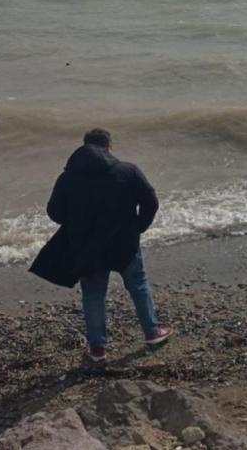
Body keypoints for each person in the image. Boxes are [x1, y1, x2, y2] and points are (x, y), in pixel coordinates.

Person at [46, 128, 173, 362]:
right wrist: (138, 226)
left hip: (87, 246)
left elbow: (54, 212)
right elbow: (151, 201)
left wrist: (76, 224)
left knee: (94, 294)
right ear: (108, 147)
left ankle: (97, 349)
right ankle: (152, 332)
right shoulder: (127, 171)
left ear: (84, 147)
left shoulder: (68, 177)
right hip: (124, 241)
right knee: (138, 285)